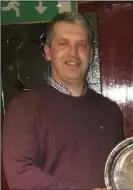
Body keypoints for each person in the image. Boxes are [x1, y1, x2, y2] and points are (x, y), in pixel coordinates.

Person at [2, 12, 124, 190]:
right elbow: (20, 174)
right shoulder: (24, 108)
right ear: (47, 51)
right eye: (63, 43)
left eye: (81, 45)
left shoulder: (110, 111)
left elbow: (119, 170)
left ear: (91, 54)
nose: (73, 53)